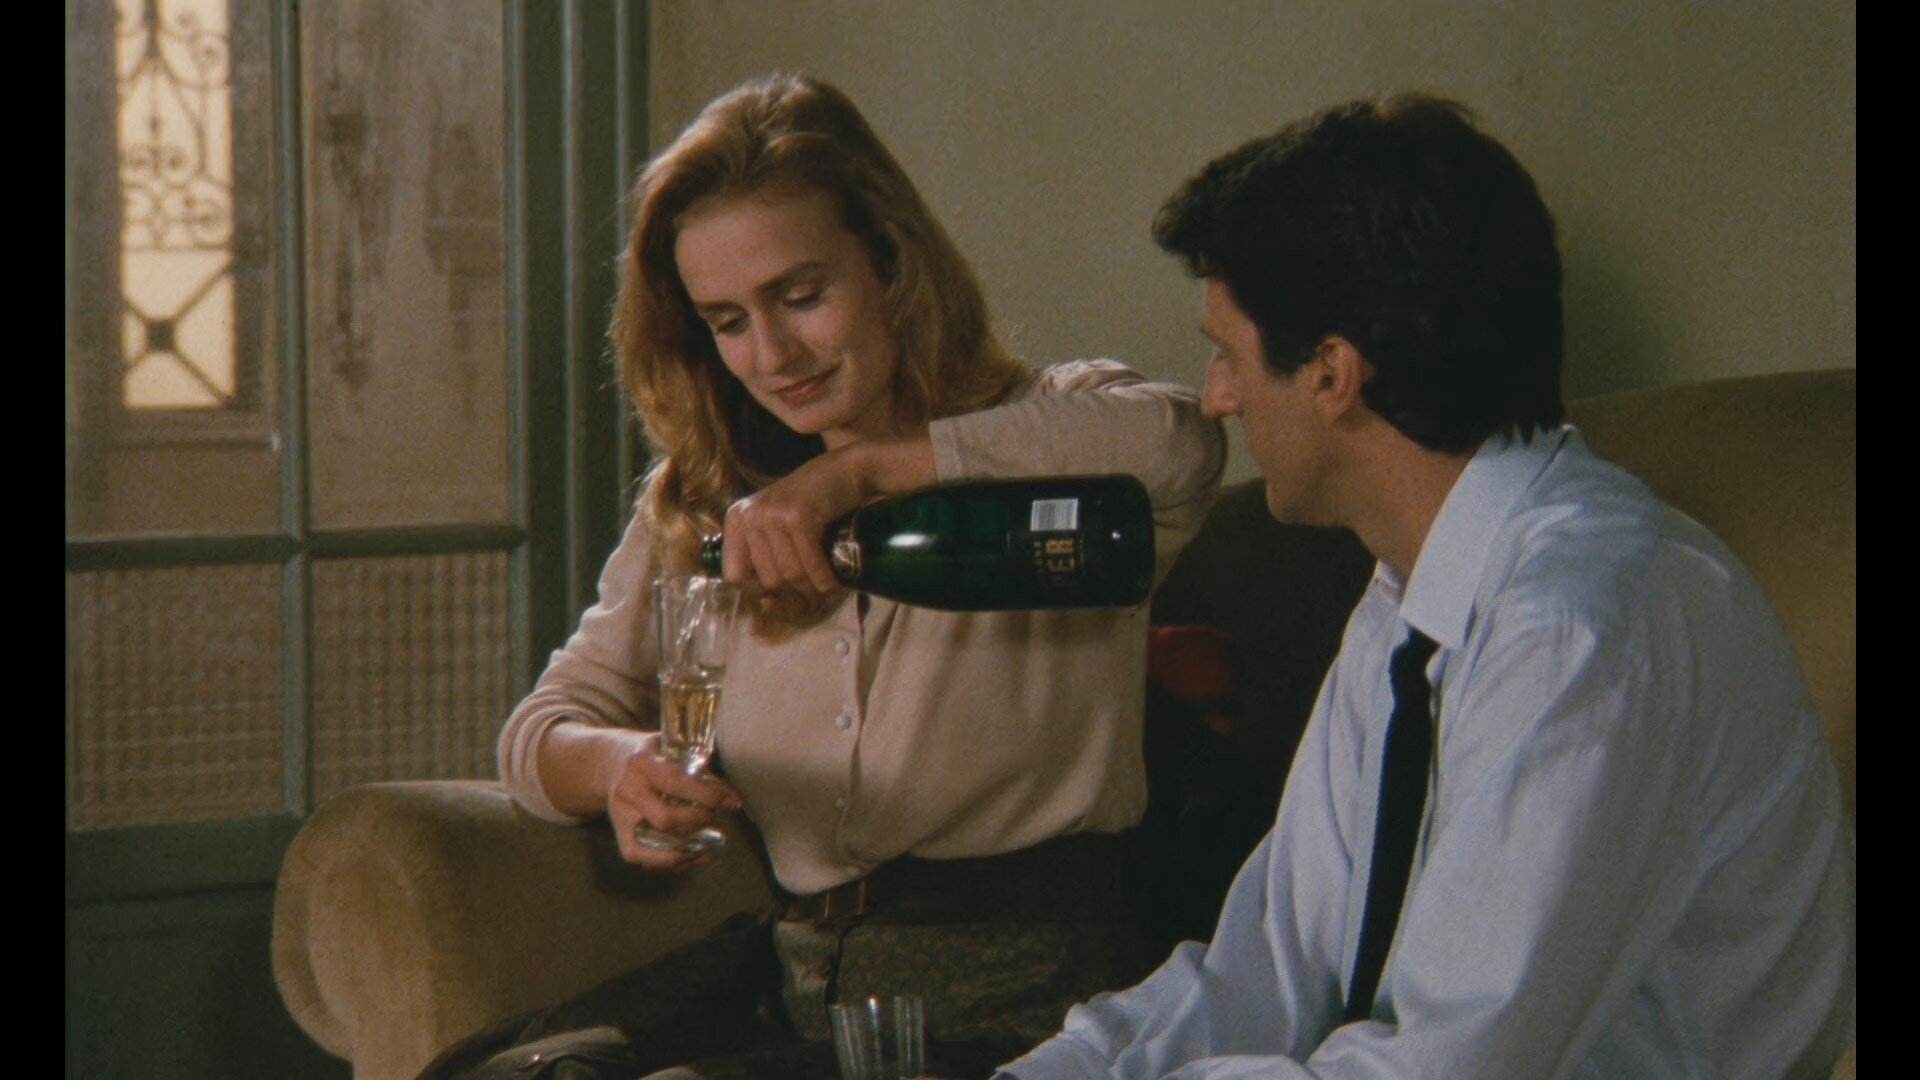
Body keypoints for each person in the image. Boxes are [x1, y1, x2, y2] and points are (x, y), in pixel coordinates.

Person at [999, 95, 1855, 1078]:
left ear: (1333, 374)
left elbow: (1440, 1069)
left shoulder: (1579, 627)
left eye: (1228, 355)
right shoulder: (1411, 603)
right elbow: (1267, 970)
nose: (1219, 398)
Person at [417, 73, 1225, 1080]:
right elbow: (539, 730)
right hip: (801, 984)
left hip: (1033, 998)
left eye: (802, 297)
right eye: (727, 321)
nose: (773, 355)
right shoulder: (705, 503)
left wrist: (858, 471)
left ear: (891, 264)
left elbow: (1182, 443)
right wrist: (619, 765)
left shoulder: (1047, 435)